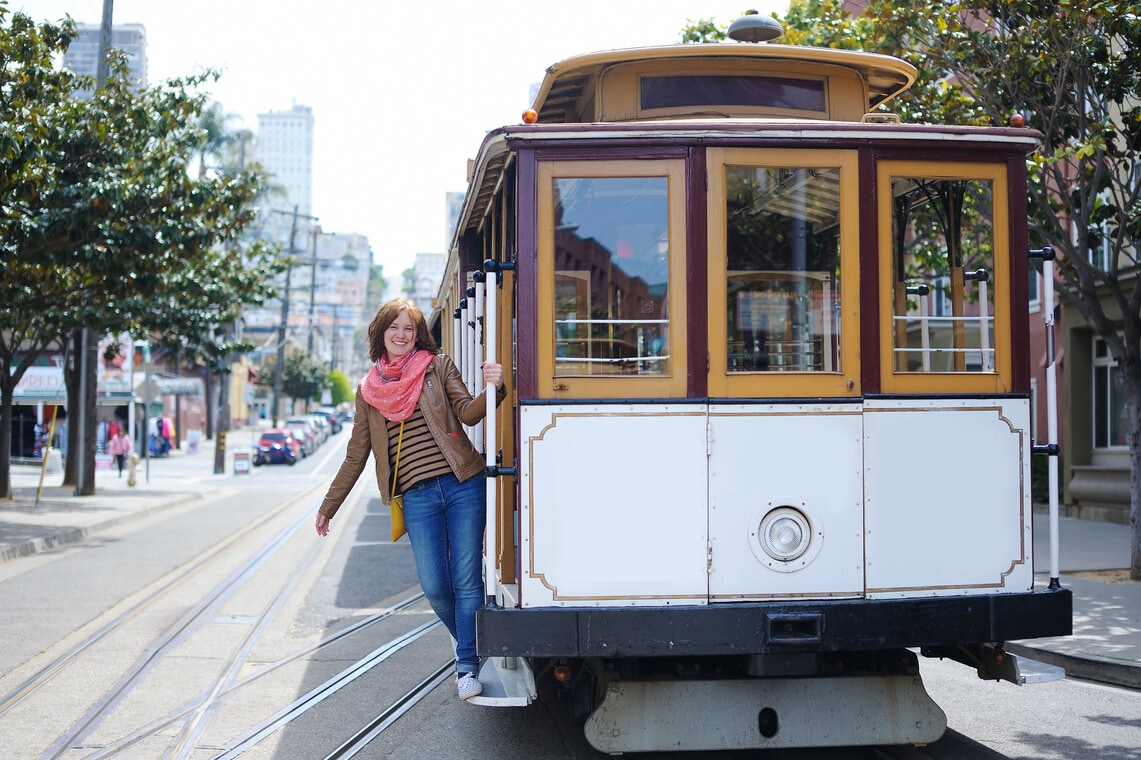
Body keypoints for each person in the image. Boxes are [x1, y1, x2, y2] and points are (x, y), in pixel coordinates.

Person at [316, 298, 506, 701]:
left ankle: (467, 666)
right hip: (416, 496)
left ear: (418, 334)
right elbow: (356, 454)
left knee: (467, 580)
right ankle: (470, 640)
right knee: (436, 586)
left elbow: (469, 414)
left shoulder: (438, 367)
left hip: (462, 483)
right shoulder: (369, 392)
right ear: (381, 333)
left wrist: (495, 388)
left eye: (409, 328)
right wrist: (328, 505)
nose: (402, 335)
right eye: (395, 328)